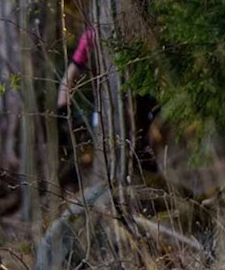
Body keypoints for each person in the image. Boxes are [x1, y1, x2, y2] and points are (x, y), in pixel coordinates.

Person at [56, 26, 158, 180]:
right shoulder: (91, 36)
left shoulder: (135, 29)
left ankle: (143, 162)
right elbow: (71, 73)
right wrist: (62, 107)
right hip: (107, 99)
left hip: (138, 92)